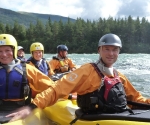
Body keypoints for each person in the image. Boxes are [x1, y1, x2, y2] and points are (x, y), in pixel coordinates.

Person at [7, 33, 150, 122]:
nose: (111, 53)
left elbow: (136, 99)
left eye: (115, 50)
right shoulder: (87, 71)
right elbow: (57, 88)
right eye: (107, 49)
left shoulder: (120, 76)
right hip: (95, 118)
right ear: (99, 50)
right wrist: (32, 106)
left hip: (119, 116)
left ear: (119, 52)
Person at [0, 34, 53, 123]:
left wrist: (69, 95)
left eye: (7, 50)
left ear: (14, 50)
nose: (3, 54)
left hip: (21, 108)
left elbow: (52, 87)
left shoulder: (27, 69)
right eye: (0, 51)